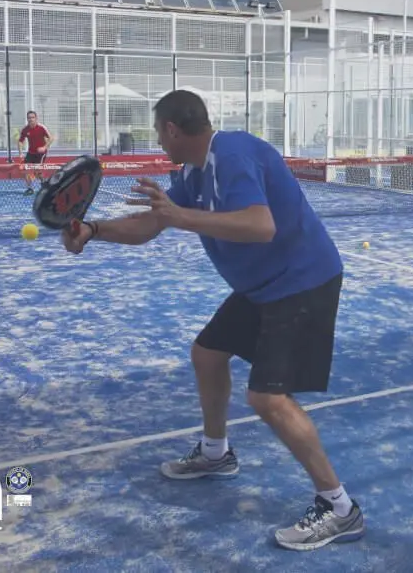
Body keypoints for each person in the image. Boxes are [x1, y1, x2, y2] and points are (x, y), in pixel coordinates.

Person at [59, 89, 364, 551]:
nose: (158, 142)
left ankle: (339, 507)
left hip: (302, 282)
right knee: (207, 354)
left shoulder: (232, 154)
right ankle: (216, 453)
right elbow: (153, 224)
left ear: (172, 129)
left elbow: (260, 225)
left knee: (268, 398)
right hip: (263, 286)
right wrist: (93, 230)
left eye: (159, 133)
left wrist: (181, 216)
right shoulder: (194, 171)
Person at [18, 110, 53, 194]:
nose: (31, 119)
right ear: (27, 119)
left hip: (41, 154)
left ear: (36, 118)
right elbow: (20, 141)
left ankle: (44, 183)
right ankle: (30, 188)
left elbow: (51, 138)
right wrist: (20, 153)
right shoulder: (25, 129)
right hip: (31, 153)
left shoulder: (41, 127)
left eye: (32, 117)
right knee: (25, 169)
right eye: (29, 118)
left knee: (37, 172)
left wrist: (44, 147)